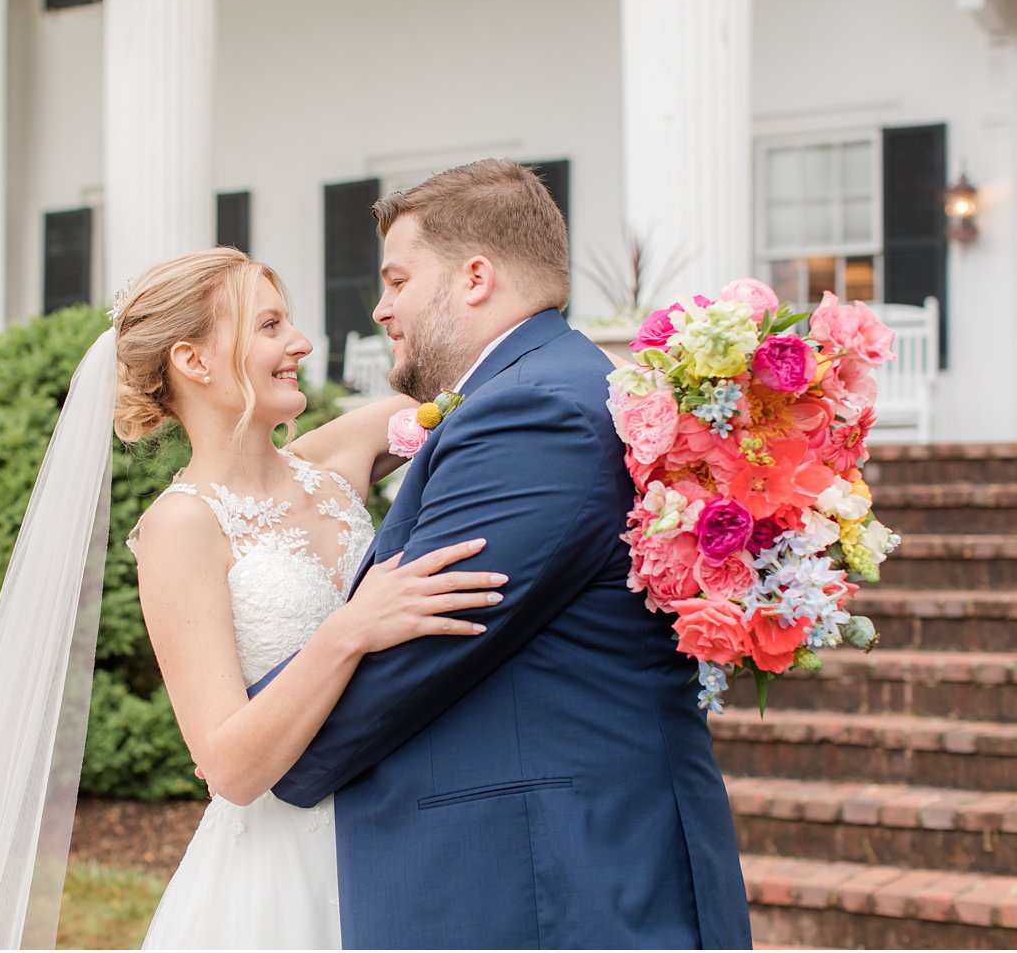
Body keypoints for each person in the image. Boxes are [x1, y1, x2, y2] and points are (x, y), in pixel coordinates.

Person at [250, 158, 753, 948]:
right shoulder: (545, 386)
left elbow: (423, 643)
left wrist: (252, 738)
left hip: (550, 890)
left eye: (398, 279)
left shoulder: (532, 414)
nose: (381, 308)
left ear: (475, 276)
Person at [116, 248, 502, 948]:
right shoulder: (181, 526)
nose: (300, 342)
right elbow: (229, 765)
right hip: (282, 869)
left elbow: (488, 384)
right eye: (269, 326)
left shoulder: (335, 459)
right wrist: (350, 629)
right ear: (194, 361)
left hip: (400, 827)